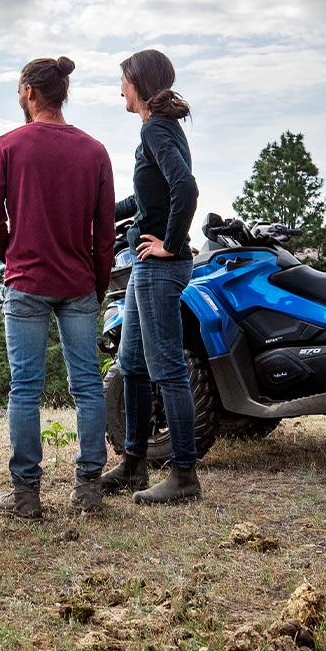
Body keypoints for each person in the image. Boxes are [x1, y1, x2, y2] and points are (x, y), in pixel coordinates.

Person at [0, 56, 116, 521]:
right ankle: (89, 488)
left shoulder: (9, 146)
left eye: (20, 90)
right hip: (78, 283)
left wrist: (13, 255)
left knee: (25, 389)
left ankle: (26, 495)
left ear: (31, 93)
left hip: (28, 283)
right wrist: (96, 285)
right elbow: (105, 231)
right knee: (87, 387)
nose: (19, 97)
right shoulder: (94, 151)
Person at [97, 49, 203, 504]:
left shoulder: (157, 128)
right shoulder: (157, 130)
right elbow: (144, 205)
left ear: (138, 84)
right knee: (133, 365)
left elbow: (186, 188)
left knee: (168, 370)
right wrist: (94, 213)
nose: (119, 88)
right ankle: (135, 466)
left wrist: (172, 244)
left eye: (122, 80)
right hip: (146, 263)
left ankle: (184, 476)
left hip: (160, 265)